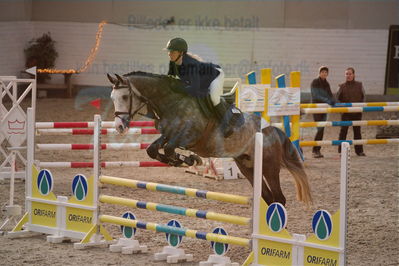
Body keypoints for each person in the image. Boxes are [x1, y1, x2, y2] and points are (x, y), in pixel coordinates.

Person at [164, 37, 241, 137]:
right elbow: (170, 79)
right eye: (169, 51)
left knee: (214, 98)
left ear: (181, 53)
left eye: (172, 52)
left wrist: (178, 88)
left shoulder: (190, 65)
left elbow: (194, 89)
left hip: (215, 75)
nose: (169, 54)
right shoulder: (173, 63)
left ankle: (227, 125)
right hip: (202, 79)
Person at [336, 67, 366, 156]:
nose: (348, 75)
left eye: (350, 74)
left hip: (357, 112)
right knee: (343, 131)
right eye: (347, 74)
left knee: (357, 132)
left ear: (354, 75)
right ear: (345, 75)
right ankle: (341, 151)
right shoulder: (341, 86)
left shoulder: (360, 85)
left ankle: (359, 151)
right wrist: (342, 110)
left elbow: (363, 97)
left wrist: (361, 108)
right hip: (346, 113)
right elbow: (337, 99)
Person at [310, 66, 335, 158]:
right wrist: (327, 100)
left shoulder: (327, 83)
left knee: (322, 129)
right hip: (316, 108)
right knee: (319, 129)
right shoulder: (315, 82)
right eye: (323, 72)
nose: (324, 74)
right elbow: (315, 95)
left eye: (326, 72)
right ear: (319, 73)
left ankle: (317, 150)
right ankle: (315, 150)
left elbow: (330, 94)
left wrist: (333, 100)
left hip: (324, 109)